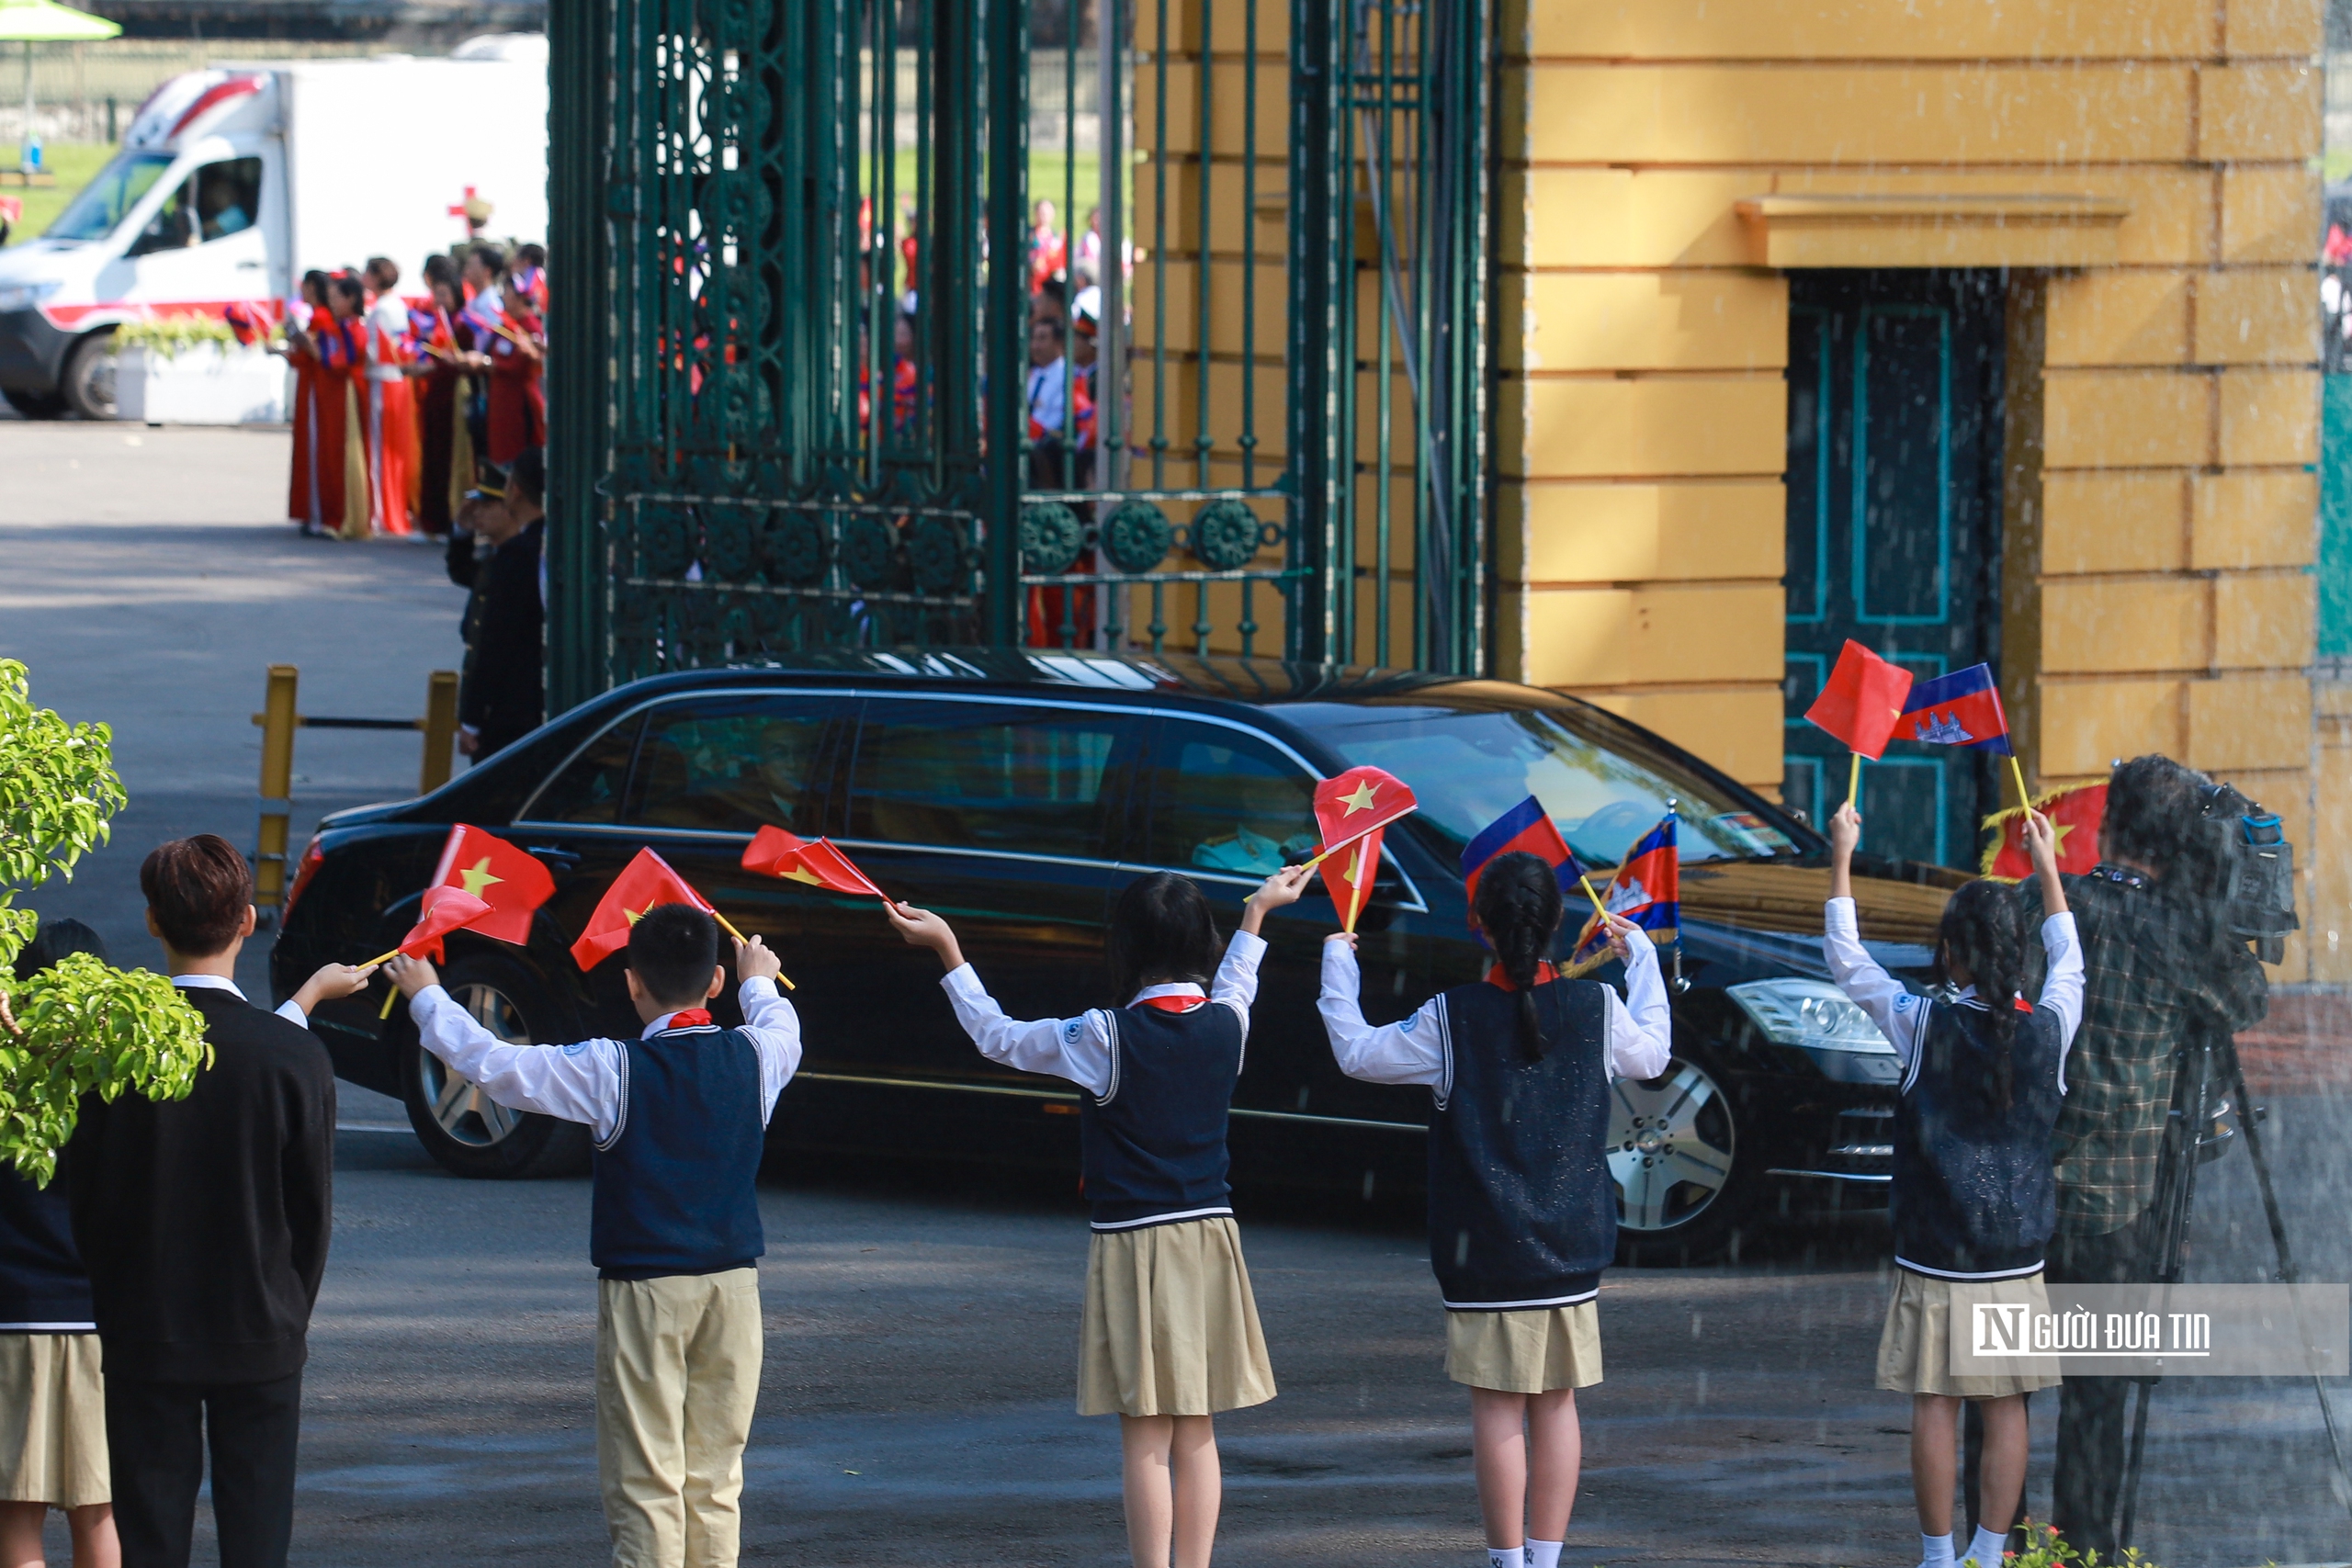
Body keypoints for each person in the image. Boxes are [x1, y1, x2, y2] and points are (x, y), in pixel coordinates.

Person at [888, 865, 1312, 1568]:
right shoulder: (1226, 1025)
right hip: (1210, 1238)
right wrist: (1258, 913)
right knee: (1197, 1427)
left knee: (1145, 1432)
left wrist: (949, 950)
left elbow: (998, 1036)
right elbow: (1239, 979)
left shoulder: (1105, 1036)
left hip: (1133, 1243)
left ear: (1125, 946)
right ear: (1202, 941)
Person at [383, 908, 799, 1568]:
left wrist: (428, 995)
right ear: (715, 979)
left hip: (646, 1289)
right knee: (718, 1478)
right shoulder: (758, 1052)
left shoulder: (613, 1068)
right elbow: (781, 1020)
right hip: (735, 1287)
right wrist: (760, 980)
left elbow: (495, 1065)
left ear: (633, 983)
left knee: (646, 1478)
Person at [1317, 853, 1668, 1568]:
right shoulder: (1597, 1007)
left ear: (1478, 924)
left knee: (1499, 1409)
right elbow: (1654, 1056)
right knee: (1557, 1404)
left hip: (1484, 1250)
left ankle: (1506, 1561)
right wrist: (1644, 965)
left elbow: (1355, 1051)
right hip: (1571, 1244)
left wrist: (1337, 963)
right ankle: (1546, 1557)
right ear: (1556, 924)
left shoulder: (1449, 1017)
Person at [64, 836, 373, 1568]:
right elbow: (312, 1211)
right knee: (259, 1536)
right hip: (260, 1324)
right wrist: (288, 1308)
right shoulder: (292, 1056)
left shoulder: (113, 1050)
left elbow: (89, 1198)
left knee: (149, 1536)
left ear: (151, 922)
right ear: (246, 921)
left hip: (145, 1326)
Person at [1824, 803, 2082, 1568]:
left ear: (1950, 956)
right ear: (2015, 955)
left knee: (1934, 1402)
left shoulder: (1918, 1021)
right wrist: (2047, 869)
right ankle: (1989, 1551)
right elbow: (2071, 960)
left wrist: (1842, 857)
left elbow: (1846, 956)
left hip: (1937, 1254)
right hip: (2015, 1257)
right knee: (2007, 1406)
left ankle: (1938, 1556)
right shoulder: (2052, 1026)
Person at [2033, 755, 2267, 1557]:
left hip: (2013, 1198)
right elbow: (2248, 997)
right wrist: (2213, 894)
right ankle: (2082, 1546)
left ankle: (1986, 1539)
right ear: (2180, 845)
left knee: (1988, 1391)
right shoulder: (2181, 935)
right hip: (2116, 1202)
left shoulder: (2044, 904)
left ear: (2106, 825)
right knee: (2096, 1400)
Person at [2, 921, 118, 1568]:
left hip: (12, 1312)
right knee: (97, 1511)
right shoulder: (118, 1082)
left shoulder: (5, 1084)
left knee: (14, 1511)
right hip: (99, 1318)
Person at [451, 447, 546, 762]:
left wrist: (472, 719)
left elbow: (496, 641)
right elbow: (464, 572)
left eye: (488, 504)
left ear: (514, 491)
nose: (478, 513)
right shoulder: (549, 544)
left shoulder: (518, 555)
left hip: (511, 711)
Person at [413, 255, 479, 537]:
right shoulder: (437, 323)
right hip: (437, 394)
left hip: (454, 395)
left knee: (453, 457)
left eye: (443, 294)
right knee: (434, 456)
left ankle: (451, 519)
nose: (437, 299)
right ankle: (433, 520)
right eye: (435, 294)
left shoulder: (464, 324)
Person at [359, 257, 419, 537]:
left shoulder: (379, 310)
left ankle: (382, 511)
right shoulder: (397, 305)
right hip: (398, 380)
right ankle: (393, 509)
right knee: (395, 449)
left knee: (380, 449)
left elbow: (373, 350)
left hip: (382, 380)